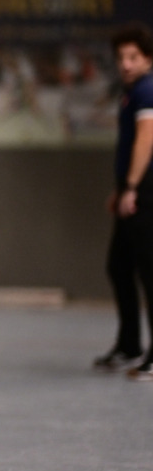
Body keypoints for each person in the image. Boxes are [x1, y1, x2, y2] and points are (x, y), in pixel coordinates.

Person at [92, 22, 153, 381]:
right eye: (121, 57)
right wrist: (119, 189)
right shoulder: (129, 92)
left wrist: (131, 187)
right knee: (119, 266)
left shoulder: (147, 90)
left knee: (150, 273)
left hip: (146, 193)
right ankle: (129, 344)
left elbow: (146, 142)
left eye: (134, 56)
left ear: (147, 58)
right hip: (130, 189)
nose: (126, 63)